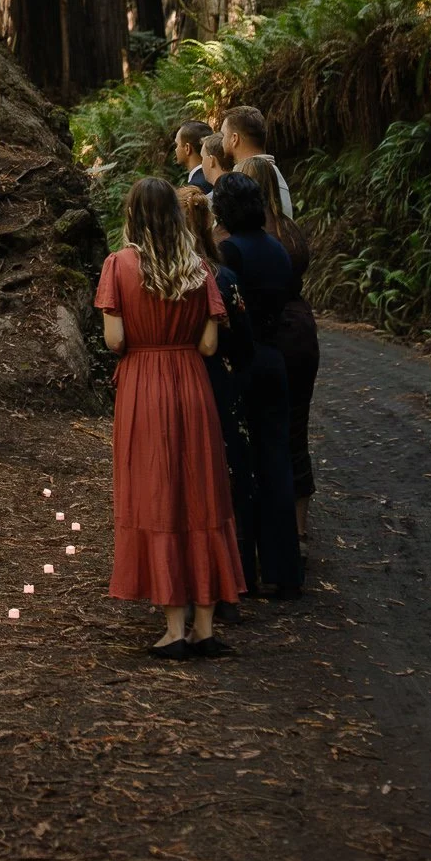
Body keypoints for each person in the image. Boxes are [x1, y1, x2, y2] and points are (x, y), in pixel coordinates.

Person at [96, 179, 245, 658]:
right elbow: (208, 345)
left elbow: (115, 341)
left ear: (133, 216)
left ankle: (174, 629)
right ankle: (205, 626)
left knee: (157, 492)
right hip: (191, 384)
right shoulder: (200, 269)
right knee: (201, 492)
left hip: (144, 385)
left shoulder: (118, 266)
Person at [209, 170, 304, 597]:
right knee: (277, 458)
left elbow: (229, 309)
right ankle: (284, 568)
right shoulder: (278, 251)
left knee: (241, 464)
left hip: (242, 361)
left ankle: (244, 570)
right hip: (275, 358)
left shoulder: (230, 252)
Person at [177, 185, 257, 594]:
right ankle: (238, 572)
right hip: (221, 382)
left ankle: (193, 576)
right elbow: (244, 339)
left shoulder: (172, 278)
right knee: (232, 472)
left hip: (182, 381)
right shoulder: (221, 276)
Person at [239, 154, 320, 550]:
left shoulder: (248, 239)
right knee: (296, 430)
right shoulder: (291, 230)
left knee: (263, 435)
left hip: (269, 336)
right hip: (302, 331)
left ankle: (265, 534)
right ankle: (299, 530)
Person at [221, 107, 293, 218]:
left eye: (223, 135)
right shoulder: (274, 174)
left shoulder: (246, 180)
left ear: (234, 139)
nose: (221, 141)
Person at [175, 121, 214, 193]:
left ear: (187, 148)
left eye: (177, 145)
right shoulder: (214, 178)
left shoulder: (196, 188)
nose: (175, 149)